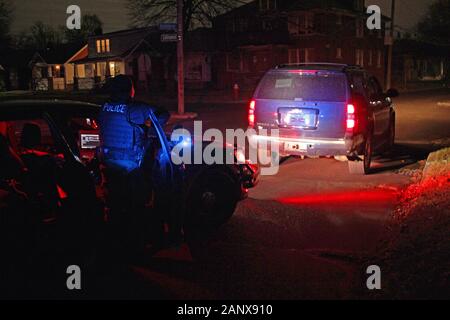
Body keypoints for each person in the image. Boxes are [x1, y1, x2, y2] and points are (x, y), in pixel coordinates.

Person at [98, 75, 172, 253]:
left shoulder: (104, 108)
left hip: (109, 166)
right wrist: (148, 129)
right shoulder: (134, 110)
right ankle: (138, 244)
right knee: (138, 206)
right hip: (131, 167)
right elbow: (163, 114)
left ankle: (115, 241)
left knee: (116, 206)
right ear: (129, 90)